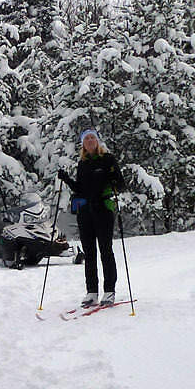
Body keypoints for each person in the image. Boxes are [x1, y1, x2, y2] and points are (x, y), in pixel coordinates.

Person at [58, 129, 126, 307]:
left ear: (97, 141)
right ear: (83, 144)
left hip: (103, 209)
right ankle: (92, 292)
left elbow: (121, 184)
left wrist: (113, 181)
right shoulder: (83, 163)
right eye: (86, 138)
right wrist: (67, 179)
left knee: (105, 250)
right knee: (89, 253)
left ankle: (109, 291)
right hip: (85, 211)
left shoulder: (107, 159)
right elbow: (80, 189)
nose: (89, 141)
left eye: (92, 138)